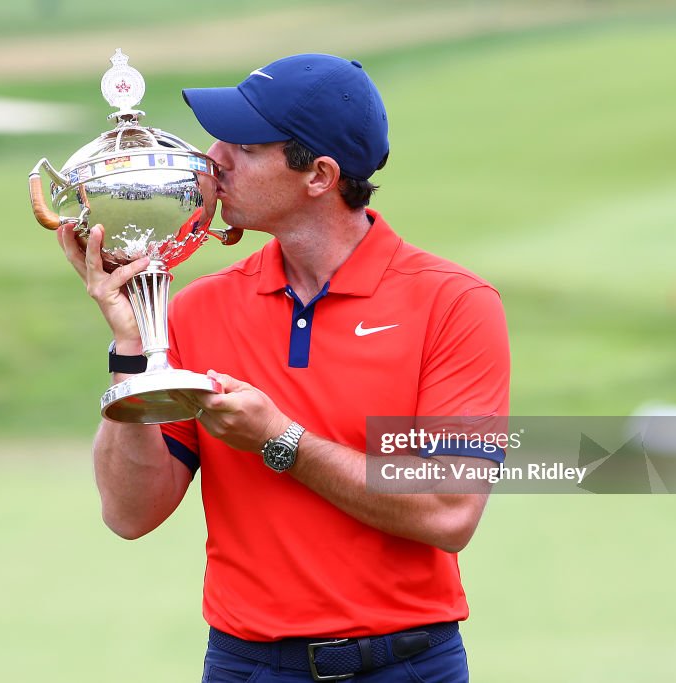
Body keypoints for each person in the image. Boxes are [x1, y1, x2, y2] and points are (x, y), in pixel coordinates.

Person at [57, 53, 510, 682]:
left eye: (243, 144)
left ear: (320, 175)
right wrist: (132, 347)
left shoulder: (454, 304)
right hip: (247, 666)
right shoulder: (197, 309)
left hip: (405, 666)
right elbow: (129, 514)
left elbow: (448, 511)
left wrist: (280, 442)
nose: (214, 158)